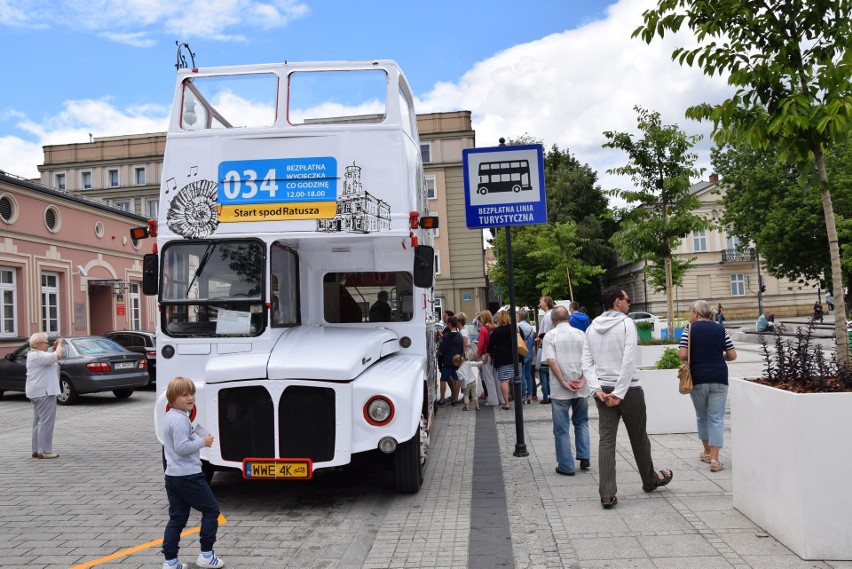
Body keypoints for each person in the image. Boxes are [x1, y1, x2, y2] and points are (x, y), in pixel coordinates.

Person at [581, 286, 673, 509]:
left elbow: (586, 362)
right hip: (628, 390)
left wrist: (597, 390)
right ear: (617, 302)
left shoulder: (592, 327)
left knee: (606, 441)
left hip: (603, 390)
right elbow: (629, 359)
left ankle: (607, 494)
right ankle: (649, 481)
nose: (629, 303)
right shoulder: (626, 323)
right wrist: (620, 393)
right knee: (638, 436)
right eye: (627, 299)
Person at [161, 377, 224, 569]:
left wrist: (200, 433)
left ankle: (170, 561)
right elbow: (182, 447)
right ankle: (206, 555)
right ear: (172, 397)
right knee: (212, 510)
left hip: (173, 475)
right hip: (188, 475)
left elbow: (183, 437)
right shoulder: (179, 420)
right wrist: (202, 443)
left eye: (192, 393)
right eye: (185, 394)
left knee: (177, 518)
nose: (191, 397)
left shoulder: (173, 416)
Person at [678, 300, 737, 473]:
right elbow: (732, 355)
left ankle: (706, 452)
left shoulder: (689, 329)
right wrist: (718, 357)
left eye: (691, 312)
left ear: (696, 313)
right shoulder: (720, 328)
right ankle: (715, 460)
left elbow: (682, 354)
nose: (690, 315)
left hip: (698, 378)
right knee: (717, 419)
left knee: (702, 417)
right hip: (719, 376)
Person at [542, 306, 591, 476]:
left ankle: (566, 465)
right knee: (582, 421)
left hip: (560, 389)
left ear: (552, 320)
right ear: (569, 318)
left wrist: (563, 382)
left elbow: (551, 360)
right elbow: (589, 359)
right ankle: (584, 455)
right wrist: (584, 379)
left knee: (561, 429)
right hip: (581, 387)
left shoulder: (550, 336)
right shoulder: (581, 334)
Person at [26, 332, 64, 459]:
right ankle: (45, 451)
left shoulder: (35, 355)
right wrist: (59, 344)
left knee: (38, 421)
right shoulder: (38, 355)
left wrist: (53, 348)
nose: (47, 344)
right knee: (46, 422)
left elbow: (51, 357)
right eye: (46, 342)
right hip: (44, 392)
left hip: (37, 392)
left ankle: (36, 449)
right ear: (38, 344)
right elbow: (58, 355)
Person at [487, 309, 516, 410]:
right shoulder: (515, 328)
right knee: (517, 379)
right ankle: (519, 401)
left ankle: (506, 403)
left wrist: (489, 354)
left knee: (504, 380)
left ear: (499, 319)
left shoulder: (496, 331)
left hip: (503, 359)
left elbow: (490, 346)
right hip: (516, 358)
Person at [477, 310, 501, 406]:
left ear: (484, 317)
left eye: (481, 317)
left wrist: (478, 354)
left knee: (488, 378)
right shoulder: (495, 327)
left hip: (486, 355)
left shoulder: (483, 329)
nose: (480, 319)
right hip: (495, 355)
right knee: (497, 378)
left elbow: (481, 344)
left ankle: (493, 400)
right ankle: (501, 398)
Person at [438, 315, 464, 405]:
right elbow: (462, 349)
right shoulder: (460, 336)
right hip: (457, 361)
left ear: (449, 324)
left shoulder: (446, 336)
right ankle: (456, 398)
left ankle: (442, 399)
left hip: (447, 361)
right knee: (457, 379)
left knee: (443, 380)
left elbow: (442, 348)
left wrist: (440, 353)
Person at [535, 296, 555, 404]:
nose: (539, 302)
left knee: (545, 373)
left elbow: (547, 334)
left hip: (546, 348)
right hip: (549, 348)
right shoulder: (549, 315)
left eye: (541, 301)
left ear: (546, 302)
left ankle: (547, 396)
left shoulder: (548, 316)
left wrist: (541, 339)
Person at [517, 308, 536, 404]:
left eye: (517, 316)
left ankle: (523, 396)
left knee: (522, 375)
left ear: (520, 316)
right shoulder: (530, 327)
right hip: (530, 353)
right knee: (529, 375)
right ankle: (530, 395)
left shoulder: (518, 326)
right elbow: (532, 342)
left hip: (521, 353)